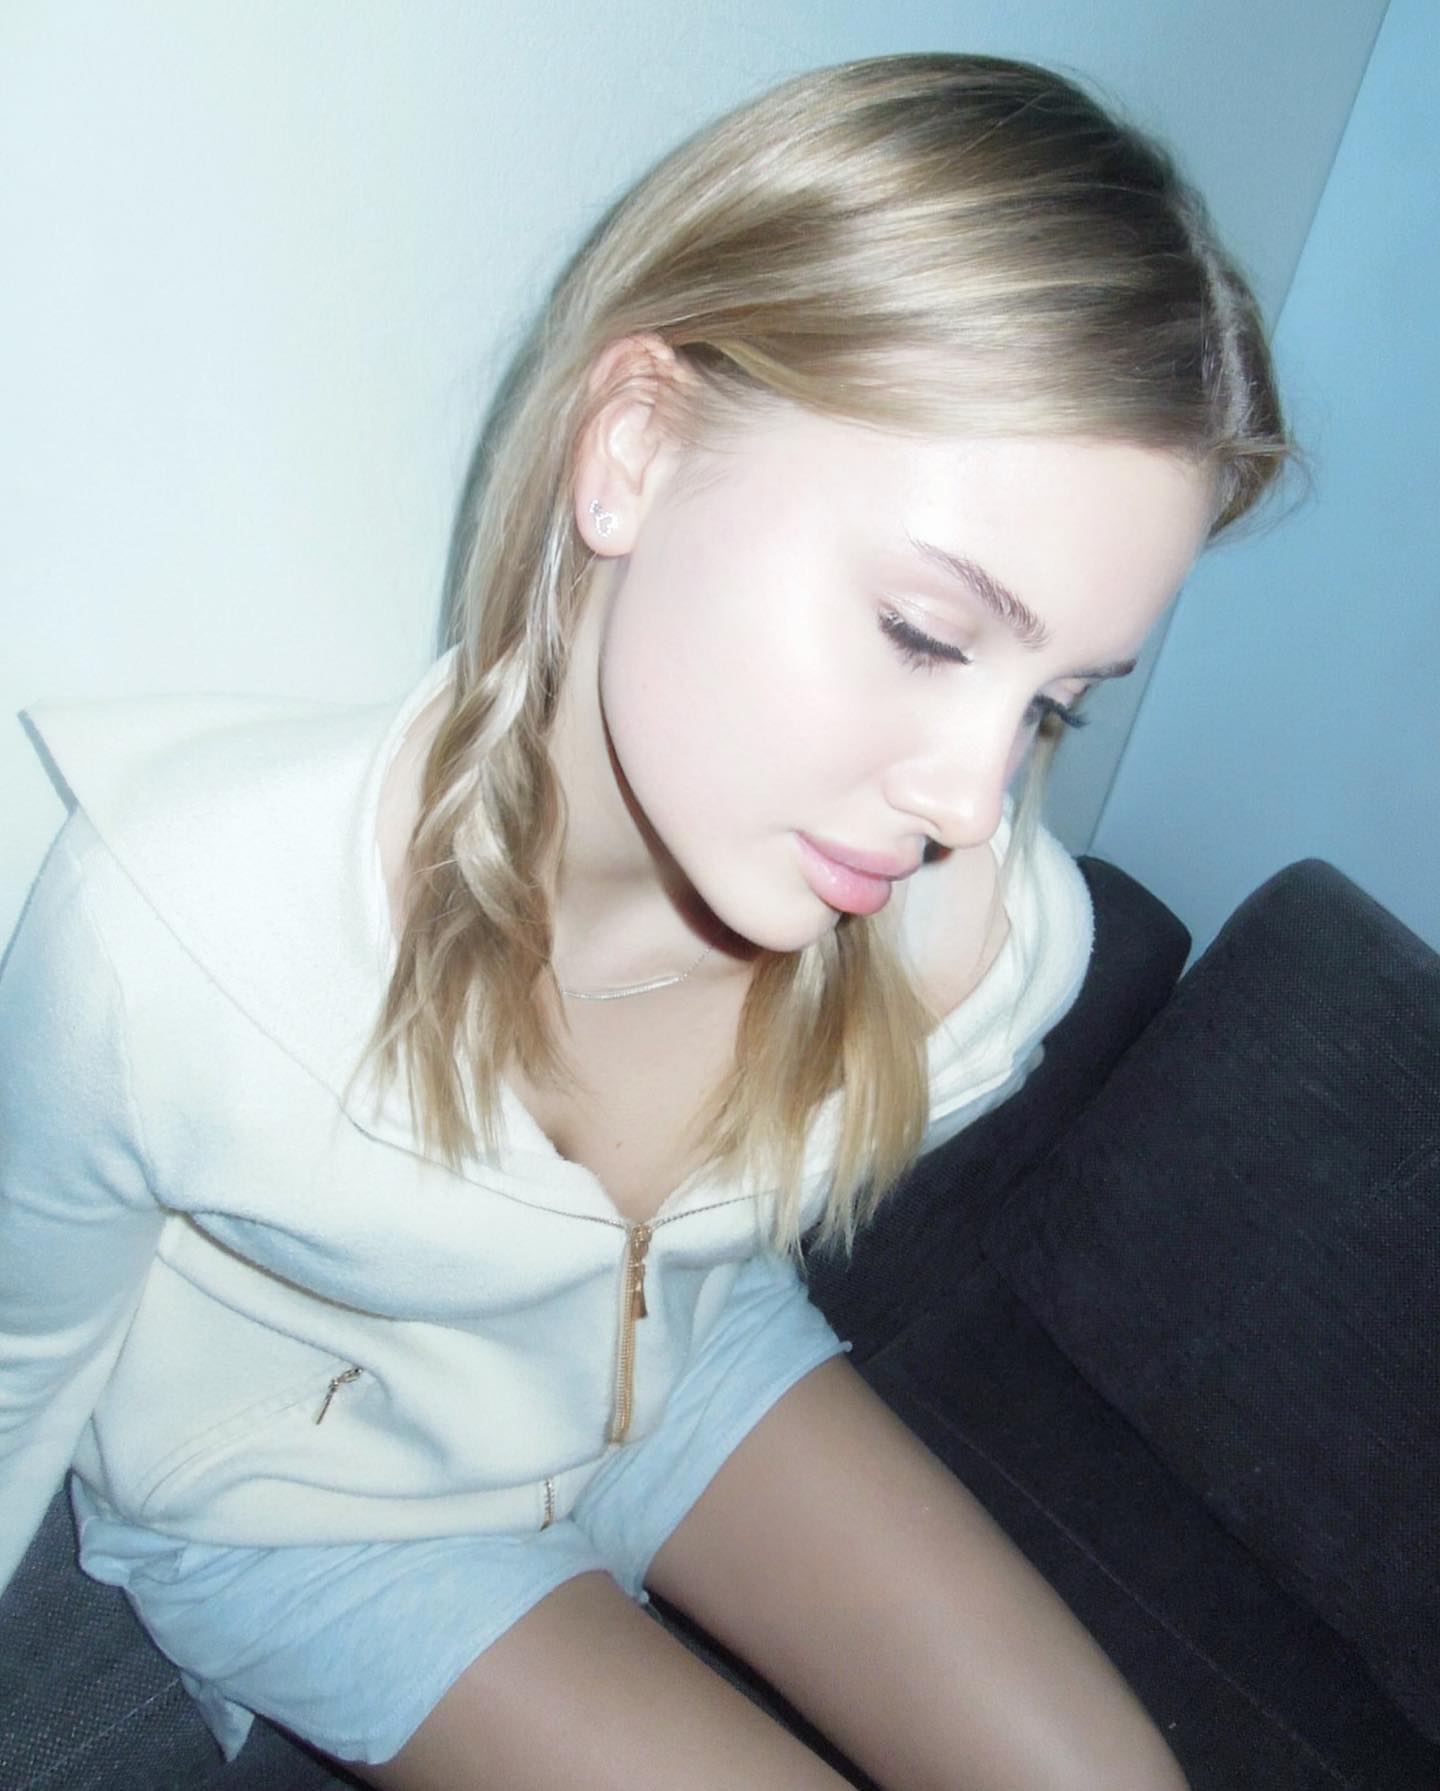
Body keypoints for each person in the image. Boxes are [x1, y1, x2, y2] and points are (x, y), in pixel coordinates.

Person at [0, 51, 1286, 1791]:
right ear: (634, 450)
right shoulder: (175, 944)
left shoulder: (985, 953)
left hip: (683, 1365)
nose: (972, 804)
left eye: (1054, 702)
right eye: (924, 633)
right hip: (318, 1509)